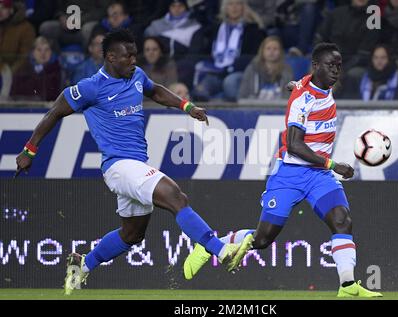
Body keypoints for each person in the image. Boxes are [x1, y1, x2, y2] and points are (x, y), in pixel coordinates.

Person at [14, 29, 252, 295]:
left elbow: (156, 91)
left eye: (135, 55)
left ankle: (83, 264)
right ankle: (221, 250)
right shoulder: (91, 87)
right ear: (111, 57)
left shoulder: (136, 76)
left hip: (136, 164)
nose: (134, 61)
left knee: (132, 235)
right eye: (128, 57)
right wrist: (29, 151)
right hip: (118, 165)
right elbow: (54, 112)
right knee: (176, 197)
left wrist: (187, 107)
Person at [183, 43, 383, 298]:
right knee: (263, 240)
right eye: (330, 65)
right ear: (316, 66)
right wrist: (334, 165)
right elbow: (295, 145)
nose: (336, 70)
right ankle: (211, 245)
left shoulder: (318, 84)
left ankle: (347, 286)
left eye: (339, 65)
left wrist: (295, 84)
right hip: (290, 174)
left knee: (342, 221)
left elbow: (303, 84)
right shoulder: (302, 101)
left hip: (318, 177)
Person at [238, 35, 293, 100]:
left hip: (279, 107)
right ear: (262, 51)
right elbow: (242, 95)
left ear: (280, 52)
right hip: (253, 107)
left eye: (275, 49)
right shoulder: (252, 69)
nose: (271, 52)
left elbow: (289, 96)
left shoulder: (287, 70)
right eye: (268, 48)